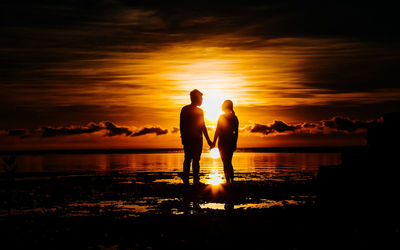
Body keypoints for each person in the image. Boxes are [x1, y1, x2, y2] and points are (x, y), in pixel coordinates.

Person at [180, 89, 212, 185]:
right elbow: (202, 126)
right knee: (193, 160)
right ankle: (194, 180)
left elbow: (182, 125)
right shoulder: (193, 110)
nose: (202, 100)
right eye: (201, 98)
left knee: (190, 159)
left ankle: (189, 180)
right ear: (196, 98)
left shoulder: (185, 109)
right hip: (195, 139)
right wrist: (209, 140)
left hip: (192, 138)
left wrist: (183, 137)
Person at [211, 100, 239, 184]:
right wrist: (235, 143)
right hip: (228, 142)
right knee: (228, 162)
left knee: (226, 163)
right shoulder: (234, 117)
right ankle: (230, 181)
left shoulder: (224, 117)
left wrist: (214, 142)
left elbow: (217, 130)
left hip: (223, 142)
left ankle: (228, 181)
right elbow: (236, 133)